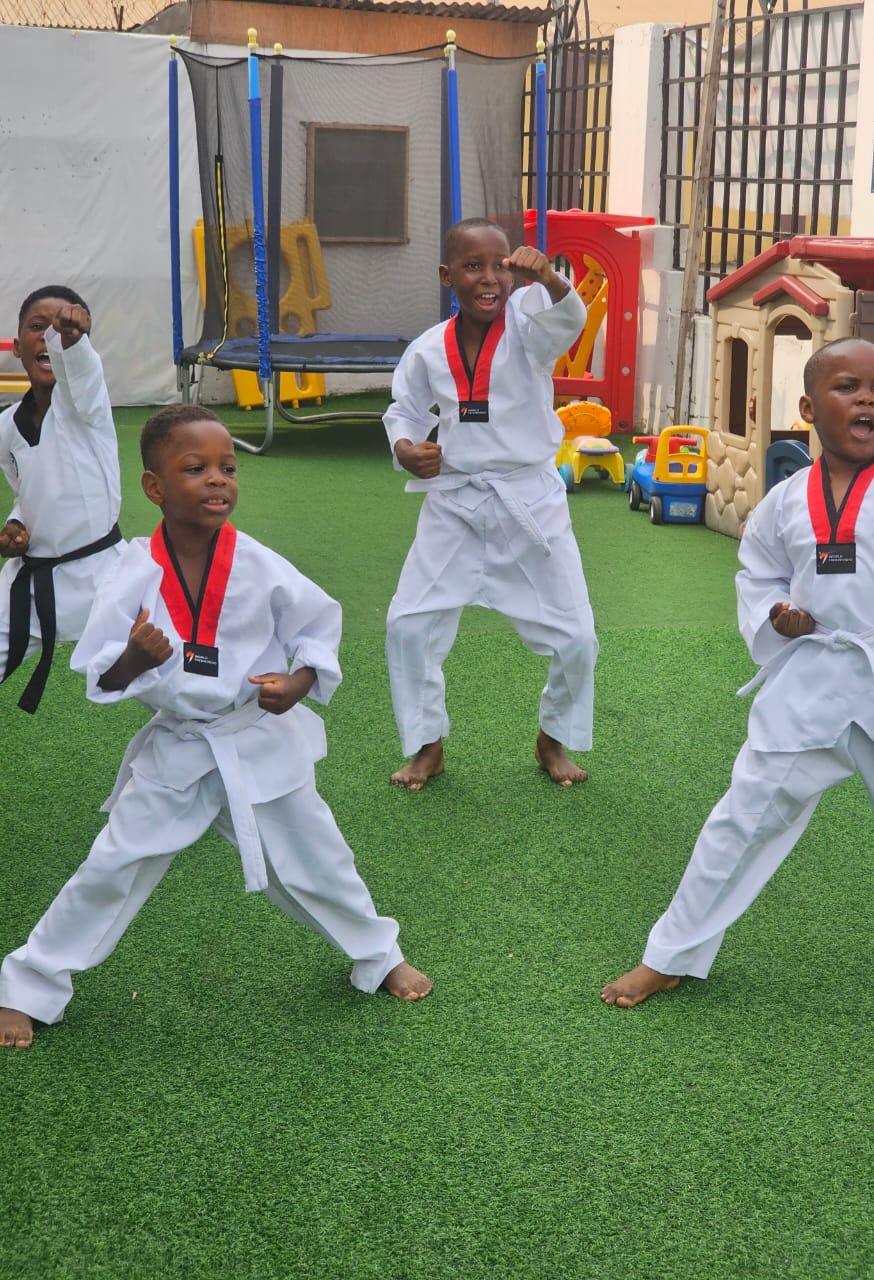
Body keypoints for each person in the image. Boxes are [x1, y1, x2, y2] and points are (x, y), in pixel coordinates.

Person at [0, 404, 430, 1048]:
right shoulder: (132, 572)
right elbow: (100, 677)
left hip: (255, 737)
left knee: (317, 857)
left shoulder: (258, 563)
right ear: (155, 487)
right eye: (194, 468)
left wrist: (298, 685)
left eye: (227, 467)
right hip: (179, 748)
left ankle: (378, 952)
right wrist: (133, 660)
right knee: (112, 866)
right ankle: (29, 984)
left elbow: (317, 628)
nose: (217, 479)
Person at [602, 337, 874, 1007]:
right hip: (814, 678)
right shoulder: (786, 501)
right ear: (806, 407)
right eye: (847, 386)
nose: (866, 400)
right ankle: (672, 953)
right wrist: (775, 612)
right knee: (744, 815)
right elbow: (757, 573)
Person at [383, 217, 598, 790]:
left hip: (530, 500)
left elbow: (569, 323)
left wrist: (550, 278)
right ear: (446, 275)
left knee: (577, 637)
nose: (488, 278)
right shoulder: (428, 349)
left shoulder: (531, 321)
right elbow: (403, 412)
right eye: (472, 266)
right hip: (454, 504)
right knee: (406, 626)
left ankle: (552, 740)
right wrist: (405, 447)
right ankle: (427, 746)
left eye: (498, 265)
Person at [0, 285, 123, 713]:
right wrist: (15, 526)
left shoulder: (86, 402)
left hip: (107, 579)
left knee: (169, 667)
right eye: (38, 328)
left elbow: (84, 371)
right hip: (32, 580)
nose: (50, 336)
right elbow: (27, 491)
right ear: (17, 347)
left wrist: (74, 341)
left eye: (61, 329)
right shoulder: (8, 427)